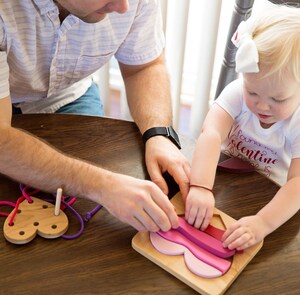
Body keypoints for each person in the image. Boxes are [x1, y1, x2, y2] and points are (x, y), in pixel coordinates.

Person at [0, 1, 191, 232]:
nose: (123, 7)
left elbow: (143, 67)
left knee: (88, 217)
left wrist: (159, 134)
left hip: (69, 94)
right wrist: (103, 186)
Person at [185, 2, 300, 251]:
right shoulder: (237, 92)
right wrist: (201, 186)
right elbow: (211, 134)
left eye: (278, 99)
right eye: (253, 91)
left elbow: (297, 183)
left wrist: (262, 222)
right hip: (221, 179)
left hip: (270, 199)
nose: (263, 106)